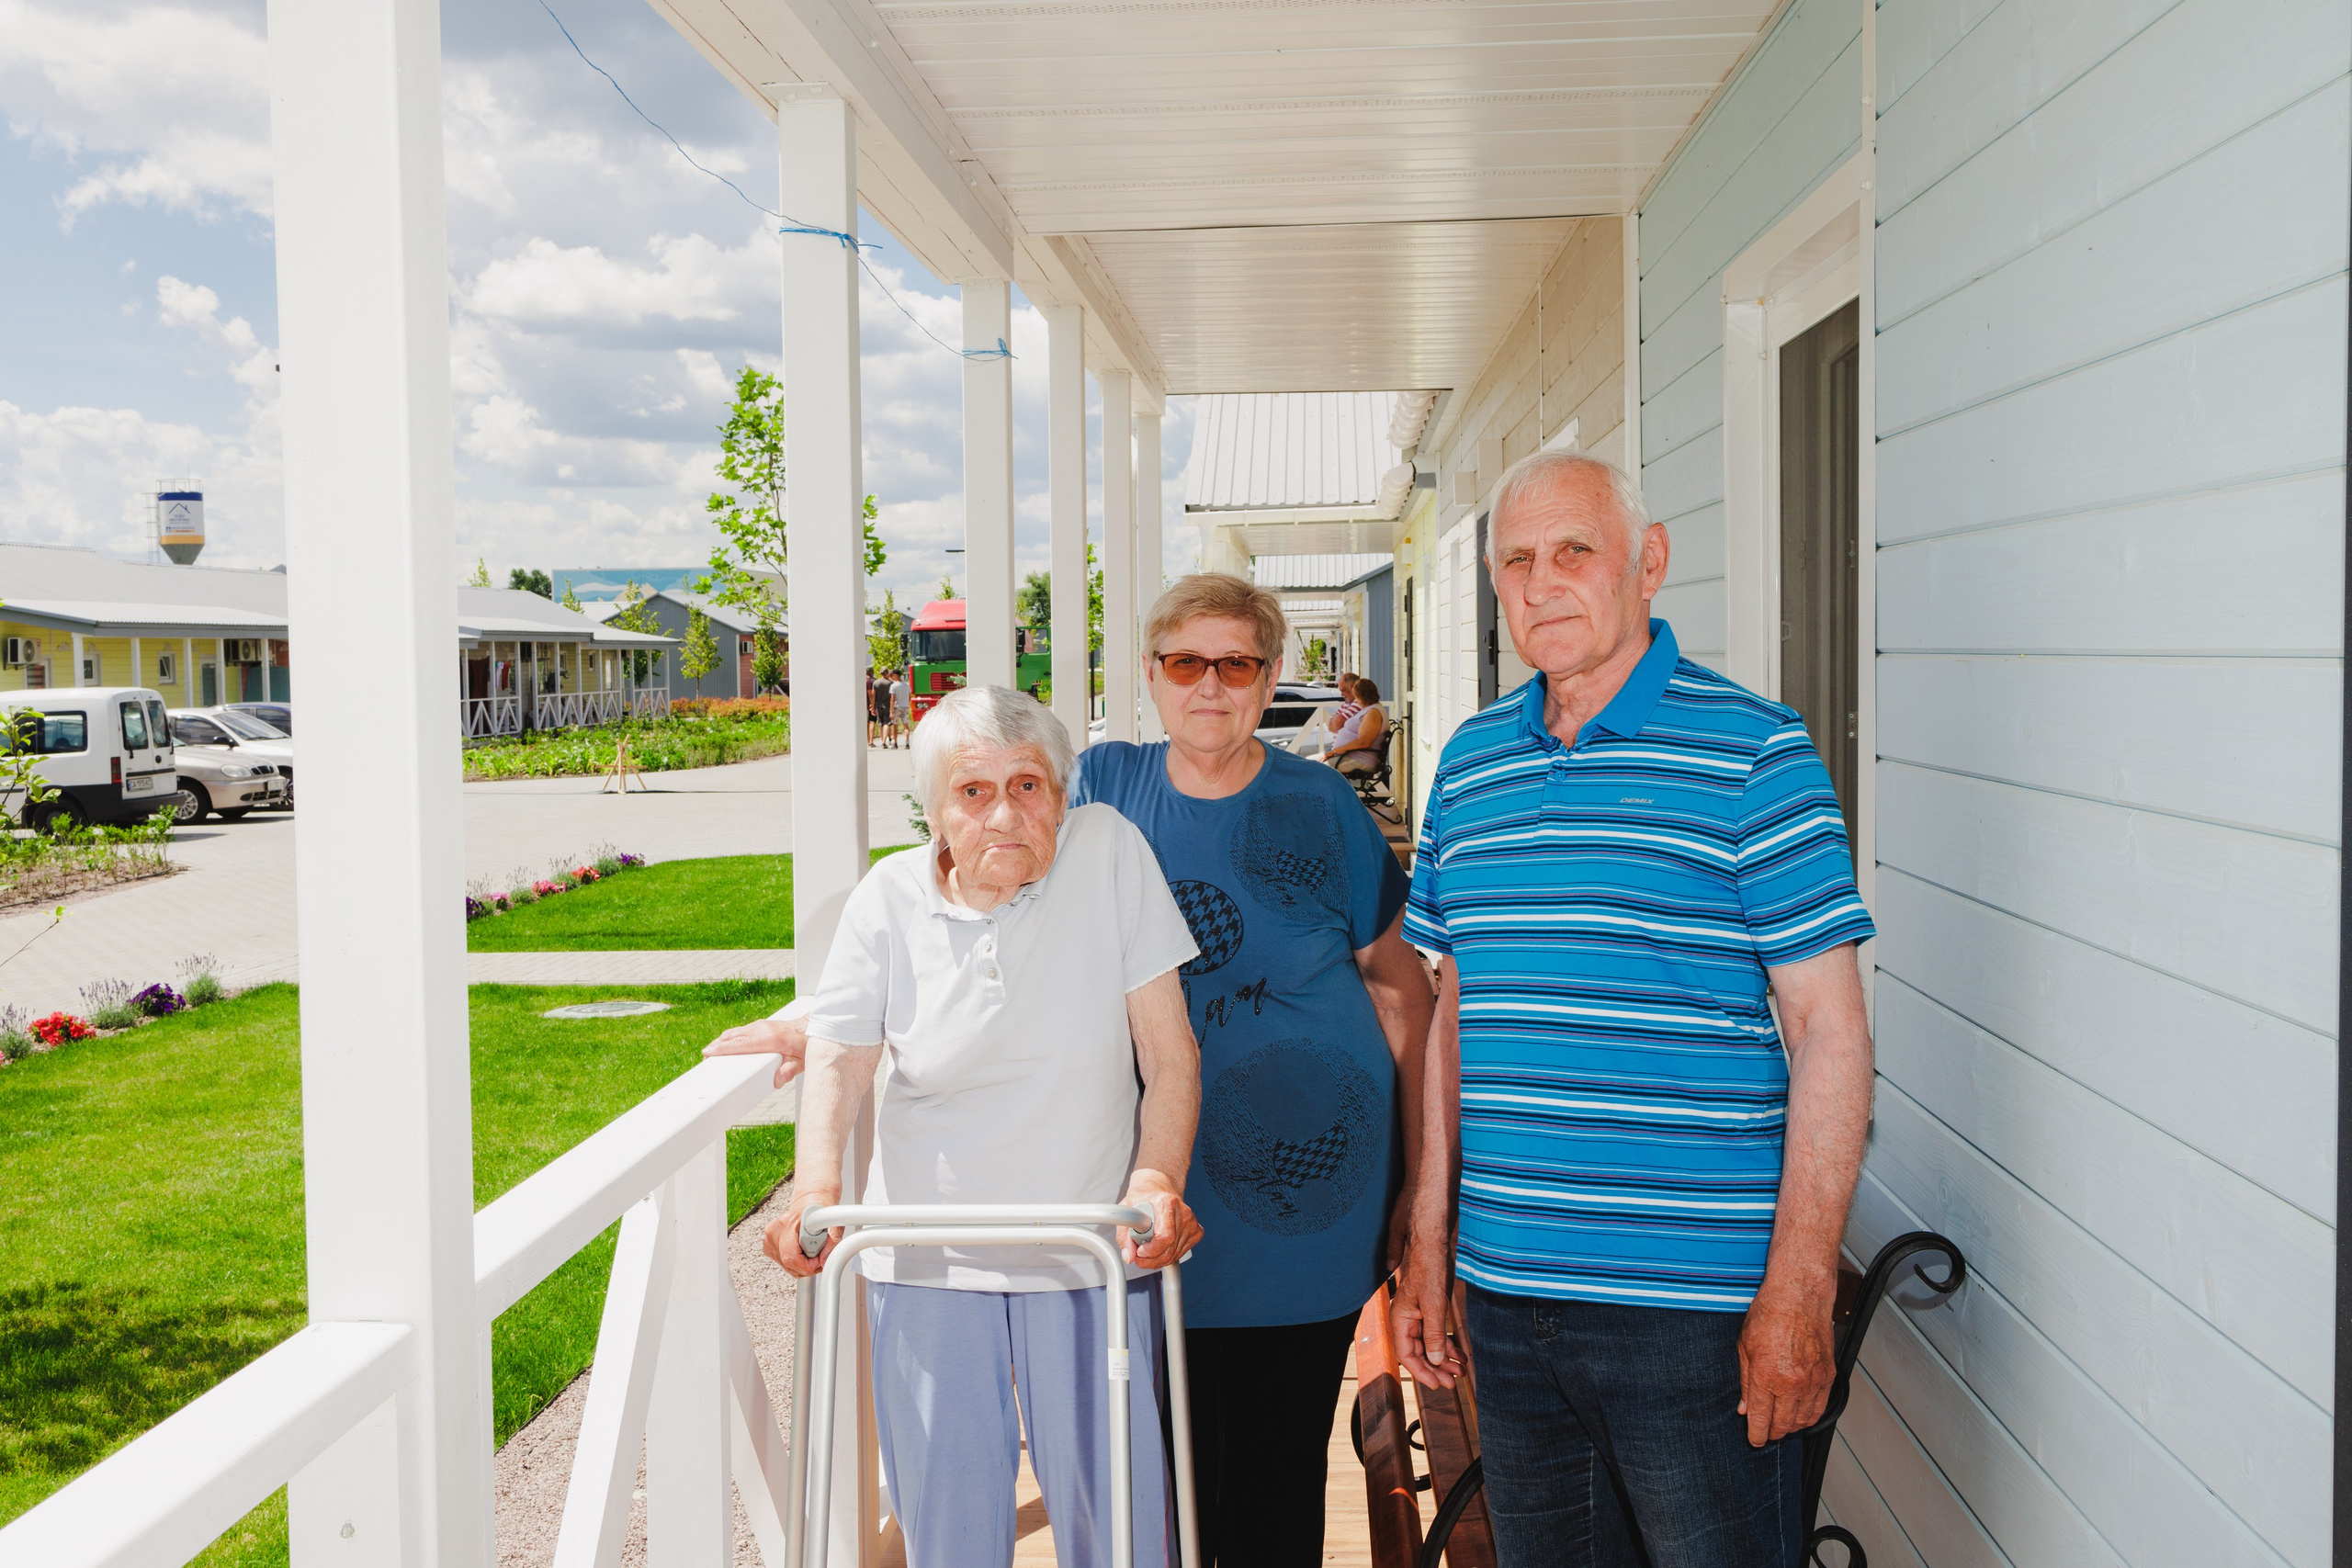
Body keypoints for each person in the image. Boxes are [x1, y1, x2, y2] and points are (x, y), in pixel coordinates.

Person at [1390, 450, 1876, 1567]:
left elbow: (1830, 1033)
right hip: (1506, 1304)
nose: (1542, 581)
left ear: (1648, 563)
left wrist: (1799, 1293)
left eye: (1575, 551)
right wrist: (1430, 1242)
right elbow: (1454, 1015)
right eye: (1516, 560)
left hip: (1695, 1318)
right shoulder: (1469, 767)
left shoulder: (1757, 751)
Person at [758, 684, 1206, 1568]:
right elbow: (841, 1058)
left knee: (1119, 1526)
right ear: (934, 812)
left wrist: (1155, 1178)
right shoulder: (886, 898)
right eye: (973, 791)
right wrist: (816, 1189)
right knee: (948, 1527)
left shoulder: (1109, 852)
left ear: (1062, 794)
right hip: (928, 1251)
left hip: (1090, 1251)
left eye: (1029, 784)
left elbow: (1172, 1054)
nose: (1005, 811)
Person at [1069, 573, 1434, 1567]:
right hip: (1149, 1187)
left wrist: (1416, 1176)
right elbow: (988, 892)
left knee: (1274, 1483)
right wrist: (855, 1010)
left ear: (1270, 677)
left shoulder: (1319, 805)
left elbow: (1401, 989)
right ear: (1151, 673)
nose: (1210, 687)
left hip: (1309, 1201)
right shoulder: (1100, 792)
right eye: (1186, 662)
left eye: (1237, 664)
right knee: (1164, 1484)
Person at [1319, 676, 1385, 777]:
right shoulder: (1369, 709)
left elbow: (1363, 742)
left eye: (1356, 696)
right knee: (1308, 763)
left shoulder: (1373, 712)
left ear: (1360, 695)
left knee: (1315, 769)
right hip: (1347, 756)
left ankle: (1330, 793)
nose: (1356, 700)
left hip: (1359, 760)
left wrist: (1334, 751)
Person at [889, 667, 912, 747]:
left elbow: (892, 699)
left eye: (893, 675)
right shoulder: (907, 685)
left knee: (895, 726)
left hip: (897, 707)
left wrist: (891, 711)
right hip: (905, 706)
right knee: (906, 725)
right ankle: (907, 741)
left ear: (896, 675)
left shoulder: (894, 686)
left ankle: (895, 743)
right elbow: (909, 697)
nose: (892, 677)